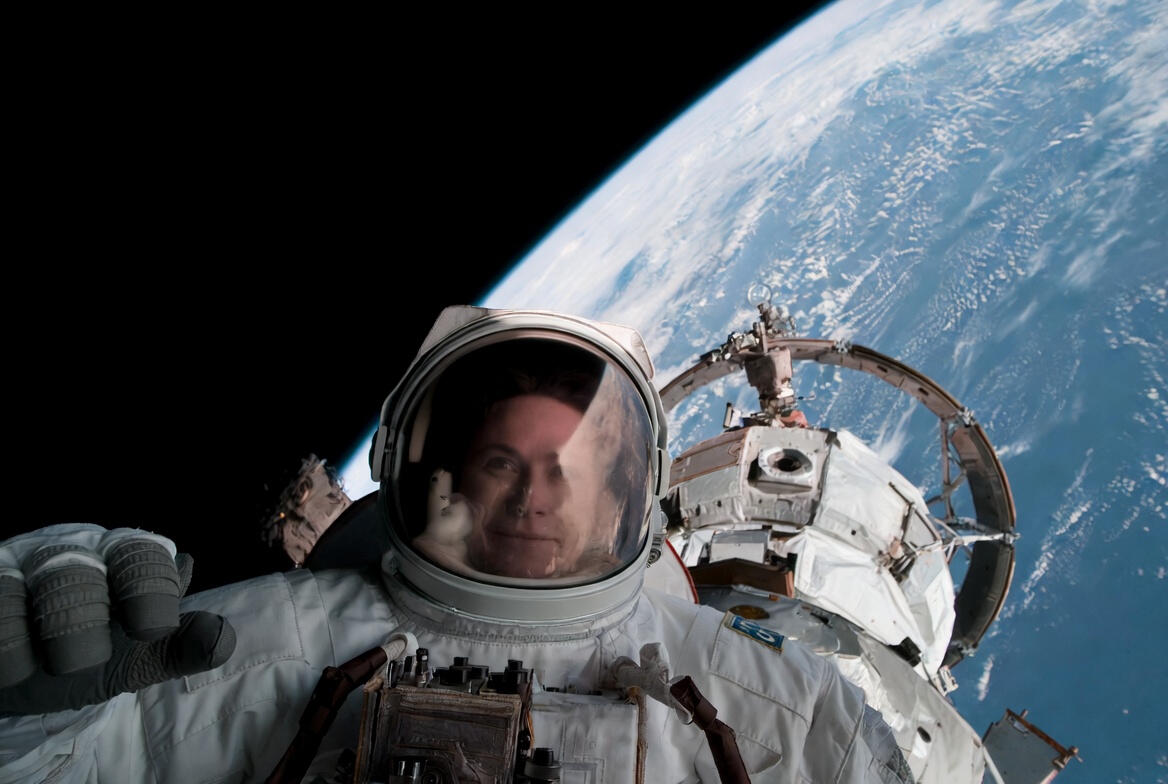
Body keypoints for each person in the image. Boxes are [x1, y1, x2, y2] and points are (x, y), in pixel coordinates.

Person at [0, 306, 912, 783]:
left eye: (567, 469)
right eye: (502, 463)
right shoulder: (262, 652)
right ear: (452, 482)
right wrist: (30, 715)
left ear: (620, 492)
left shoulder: (789, 713)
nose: (534, 495)